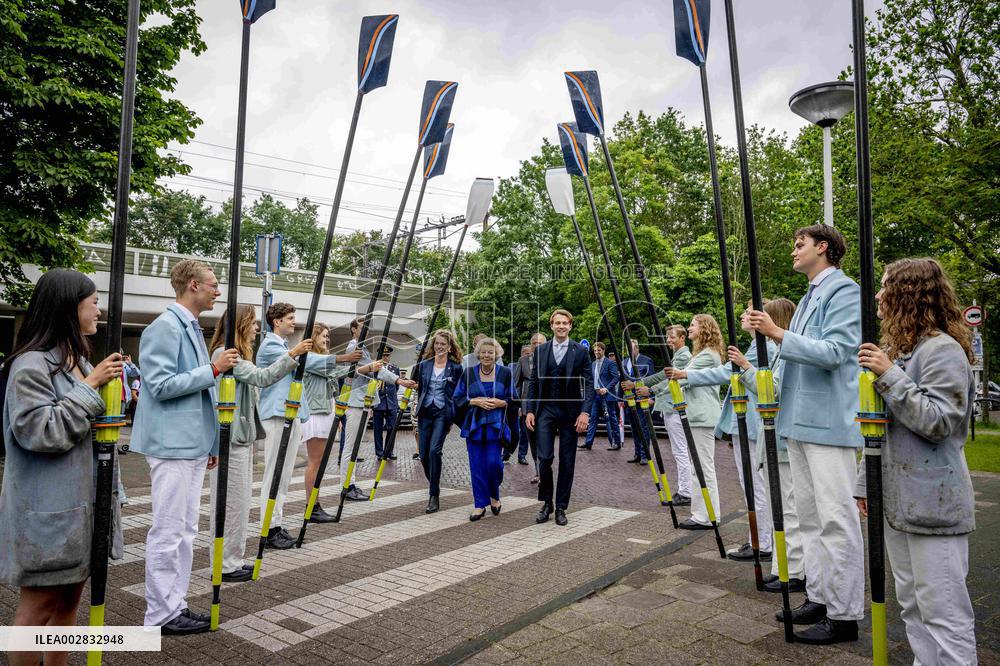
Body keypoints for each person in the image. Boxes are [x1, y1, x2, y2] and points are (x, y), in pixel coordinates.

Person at [855, 258, 977, 664]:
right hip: (897, 502)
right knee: (911, 605)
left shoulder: (942, 351)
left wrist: (890, 375)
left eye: (885, 285)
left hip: (933, 505)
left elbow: (940, 422)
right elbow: (877, 428)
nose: (877, 294)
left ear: (910, 293)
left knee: (943, 611)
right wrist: (864, 485)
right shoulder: (901, 352)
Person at [0, 269, 124, 665]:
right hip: (48, 514)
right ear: (69, 307)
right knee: (37, 610)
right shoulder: (31, 365)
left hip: (78, 512)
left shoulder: (76, 360)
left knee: (69, 604)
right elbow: (39, 430)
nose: (99, 311)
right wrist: (90, 389)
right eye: (93, 302)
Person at [748, 224, 863, 644]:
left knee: (836, 519)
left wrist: (777, 333)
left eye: (800, 244)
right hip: (798, 421)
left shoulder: (843, 291)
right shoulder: (811, 295)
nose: (794, 251)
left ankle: (846, 614)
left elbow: (837, 352)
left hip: (829, 424)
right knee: (810, 517)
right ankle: (818, 594)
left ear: (823, 248)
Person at [130, 259, 239, 634]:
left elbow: (195, 392)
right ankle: (159, 613)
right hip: (171, 444)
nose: (217, 290)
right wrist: (213, 369)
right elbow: (159, 385)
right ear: (193, 285)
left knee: (186, 529)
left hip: (189, 444)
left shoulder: (189, 327)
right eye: (213, 284)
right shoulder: (165, 327)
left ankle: (173, 604)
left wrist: (208, 442)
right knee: (168, 530)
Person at [206, 305, 312, 582]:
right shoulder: (224, 354)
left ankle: (232, 560)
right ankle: (225, 564)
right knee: (230, 504)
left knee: (239, 503)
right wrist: (292, 355)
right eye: (252, 323)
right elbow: (261, 378)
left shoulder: (238, 355)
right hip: (230, 439)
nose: (256, 329)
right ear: (240, 325)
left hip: (242, 437)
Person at [676, 304, 778, 562]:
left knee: (756, 485)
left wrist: (684, 374)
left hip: (753, 422)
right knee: (752, 485)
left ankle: (764, 543)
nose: (743, 315)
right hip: (745, 422)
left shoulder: (763, 348)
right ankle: (761, 539)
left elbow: (726, 374)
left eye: (748, 311)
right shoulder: (756, 347)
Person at [256, 303, 360, 550]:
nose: (294, 322)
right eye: (290, 318)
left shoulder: (284, 346)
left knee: (282, 475)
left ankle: (276, 524)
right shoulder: (271, 346)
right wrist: (343, 357)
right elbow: (308, 362)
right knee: (274, 473)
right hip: (277, 415)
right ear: (277, 321)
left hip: (291, 414)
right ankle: (268, 529)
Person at [730, 298, 806, 593]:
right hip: (772, 436)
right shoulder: (777, 353)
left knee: (788, 506)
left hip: (782, 438)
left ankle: (794, 570)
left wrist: (747, 367)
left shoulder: (779, 352)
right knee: (782, 506)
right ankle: (784, 566)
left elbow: (771, 390)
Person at [299, 323, 380, 524]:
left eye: (328, 336)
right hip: (316, 414)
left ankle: (315, 505)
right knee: (315, 462)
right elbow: (329, 364)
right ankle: (312, 506)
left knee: (320, 463)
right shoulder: (309, 357)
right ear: (312, 338)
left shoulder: (321, 359)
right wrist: (347, 359)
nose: (326, 340)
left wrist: (361, 367)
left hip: (326, 411)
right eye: (322, 336)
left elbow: (338, 373)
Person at [524, 309, 594, 526]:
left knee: (567, 460)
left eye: (565, 323)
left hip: (570, 412)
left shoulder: (580, 351)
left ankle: (561, 506)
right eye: (557, 323)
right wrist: (529, 410)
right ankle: (547, 502)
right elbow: (534, 382)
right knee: (544, 458)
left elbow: (589, 383)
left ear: (570, 326)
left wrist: (585, 412)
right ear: (551, 326)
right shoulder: (541, 350)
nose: (561, 326)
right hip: (545, 410)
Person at [341, 317, 415, 499]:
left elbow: (377, 370)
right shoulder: (354, 348)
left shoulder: (362, 348)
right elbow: (352, 371)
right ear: (353, 329)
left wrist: (399, 380)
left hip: (362, 402)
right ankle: (346, 486)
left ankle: (350, 484)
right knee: (350, 447)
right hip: (355, 403)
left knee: (354, 447)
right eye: (362, 327)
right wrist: (375, 369)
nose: (366, 330)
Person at [663, 314, 723, 531]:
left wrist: (675, 376)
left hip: (702, 415)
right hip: (697, 415)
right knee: (699, 466)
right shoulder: (703, 353)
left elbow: (686, 377)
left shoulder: (708, 355)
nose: (689, 328)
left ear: (704, 328)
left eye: (692, 325)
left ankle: (706, 516)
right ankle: (704, 513)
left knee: (703, 466)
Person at [453, 337, 516, 520]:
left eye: (491, 352)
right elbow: (457, 398)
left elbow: (514, 398)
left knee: (493, 464)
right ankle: (480, 504)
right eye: (483, 352)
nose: (487, 355)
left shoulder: (505, 373)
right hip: (474, 426)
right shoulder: (468, 373)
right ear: (478, 354)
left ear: (497, 355)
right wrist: (474, 401)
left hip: (496, 426)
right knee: (477, 466)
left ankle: (494, 495)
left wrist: (501, 402)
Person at [632, 325, 693, 504]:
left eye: (672, 337)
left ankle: (686, 492)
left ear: (683, 338)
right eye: (667, 337)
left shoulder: (684, 358)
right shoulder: (677, 357)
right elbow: (661, 375)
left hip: (675, 409)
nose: (669, 340)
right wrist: (637, 383)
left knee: (681, 451)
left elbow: (670, 381)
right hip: (670, 408)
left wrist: (649, 390)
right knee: (680, 451)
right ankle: (686, 490)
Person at [414, 329, 464, 513]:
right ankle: (434, 482)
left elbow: (459, 394)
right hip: (425, 412)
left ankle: (433, 494)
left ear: (450, 347)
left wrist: (453, 417)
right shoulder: (425, 365)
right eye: (437, 343)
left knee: (435, 451)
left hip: (443, 413)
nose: (439, 346)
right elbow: (421, 390)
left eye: (443, 344)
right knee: (424, 455)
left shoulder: (456, 368)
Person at [513, 333, 546, 477]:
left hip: (546, 407)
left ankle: (544, 471)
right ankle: (539, 473)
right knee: (532, 440)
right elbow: (517, 385)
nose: (536, 345)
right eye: (534, 343)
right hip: (527, 406)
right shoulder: (523, 360)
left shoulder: (551, 359)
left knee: (545, 441)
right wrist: (518, 406)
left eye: (540, 343)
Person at [581, 341, 621, 451]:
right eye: (594, 350)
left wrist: (607, 388)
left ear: (603, 350)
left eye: (598, 350)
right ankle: (588, 443)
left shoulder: (610, 363)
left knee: (612, 419)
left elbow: (616, 378)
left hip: (607, 396)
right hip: (595, 396)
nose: (596, 352)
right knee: (592, 419)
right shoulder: (593, 364)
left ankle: (616, 443)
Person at [621, 339, 655, 464]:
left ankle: (645, 454)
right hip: (629, 400)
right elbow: (622, 382)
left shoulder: (646, 361)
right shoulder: (624, 362)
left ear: (637, 349)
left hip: (642, 399)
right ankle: (637, 454)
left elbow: (652, 379)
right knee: (634, 428)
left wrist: (652, 397)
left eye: (632, 348)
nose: (630, 351)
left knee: (643, 427)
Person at [373, 346, 400, 460]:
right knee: (378, 430)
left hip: (391, 403)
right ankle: (380, 453)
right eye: (383, 355)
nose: (385, 357)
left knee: (392, 428)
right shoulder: (374, 368)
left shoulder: (394, 368)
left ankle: (389, 451)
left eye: (387, 355)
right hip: (379, 402)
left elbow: (396, 386)